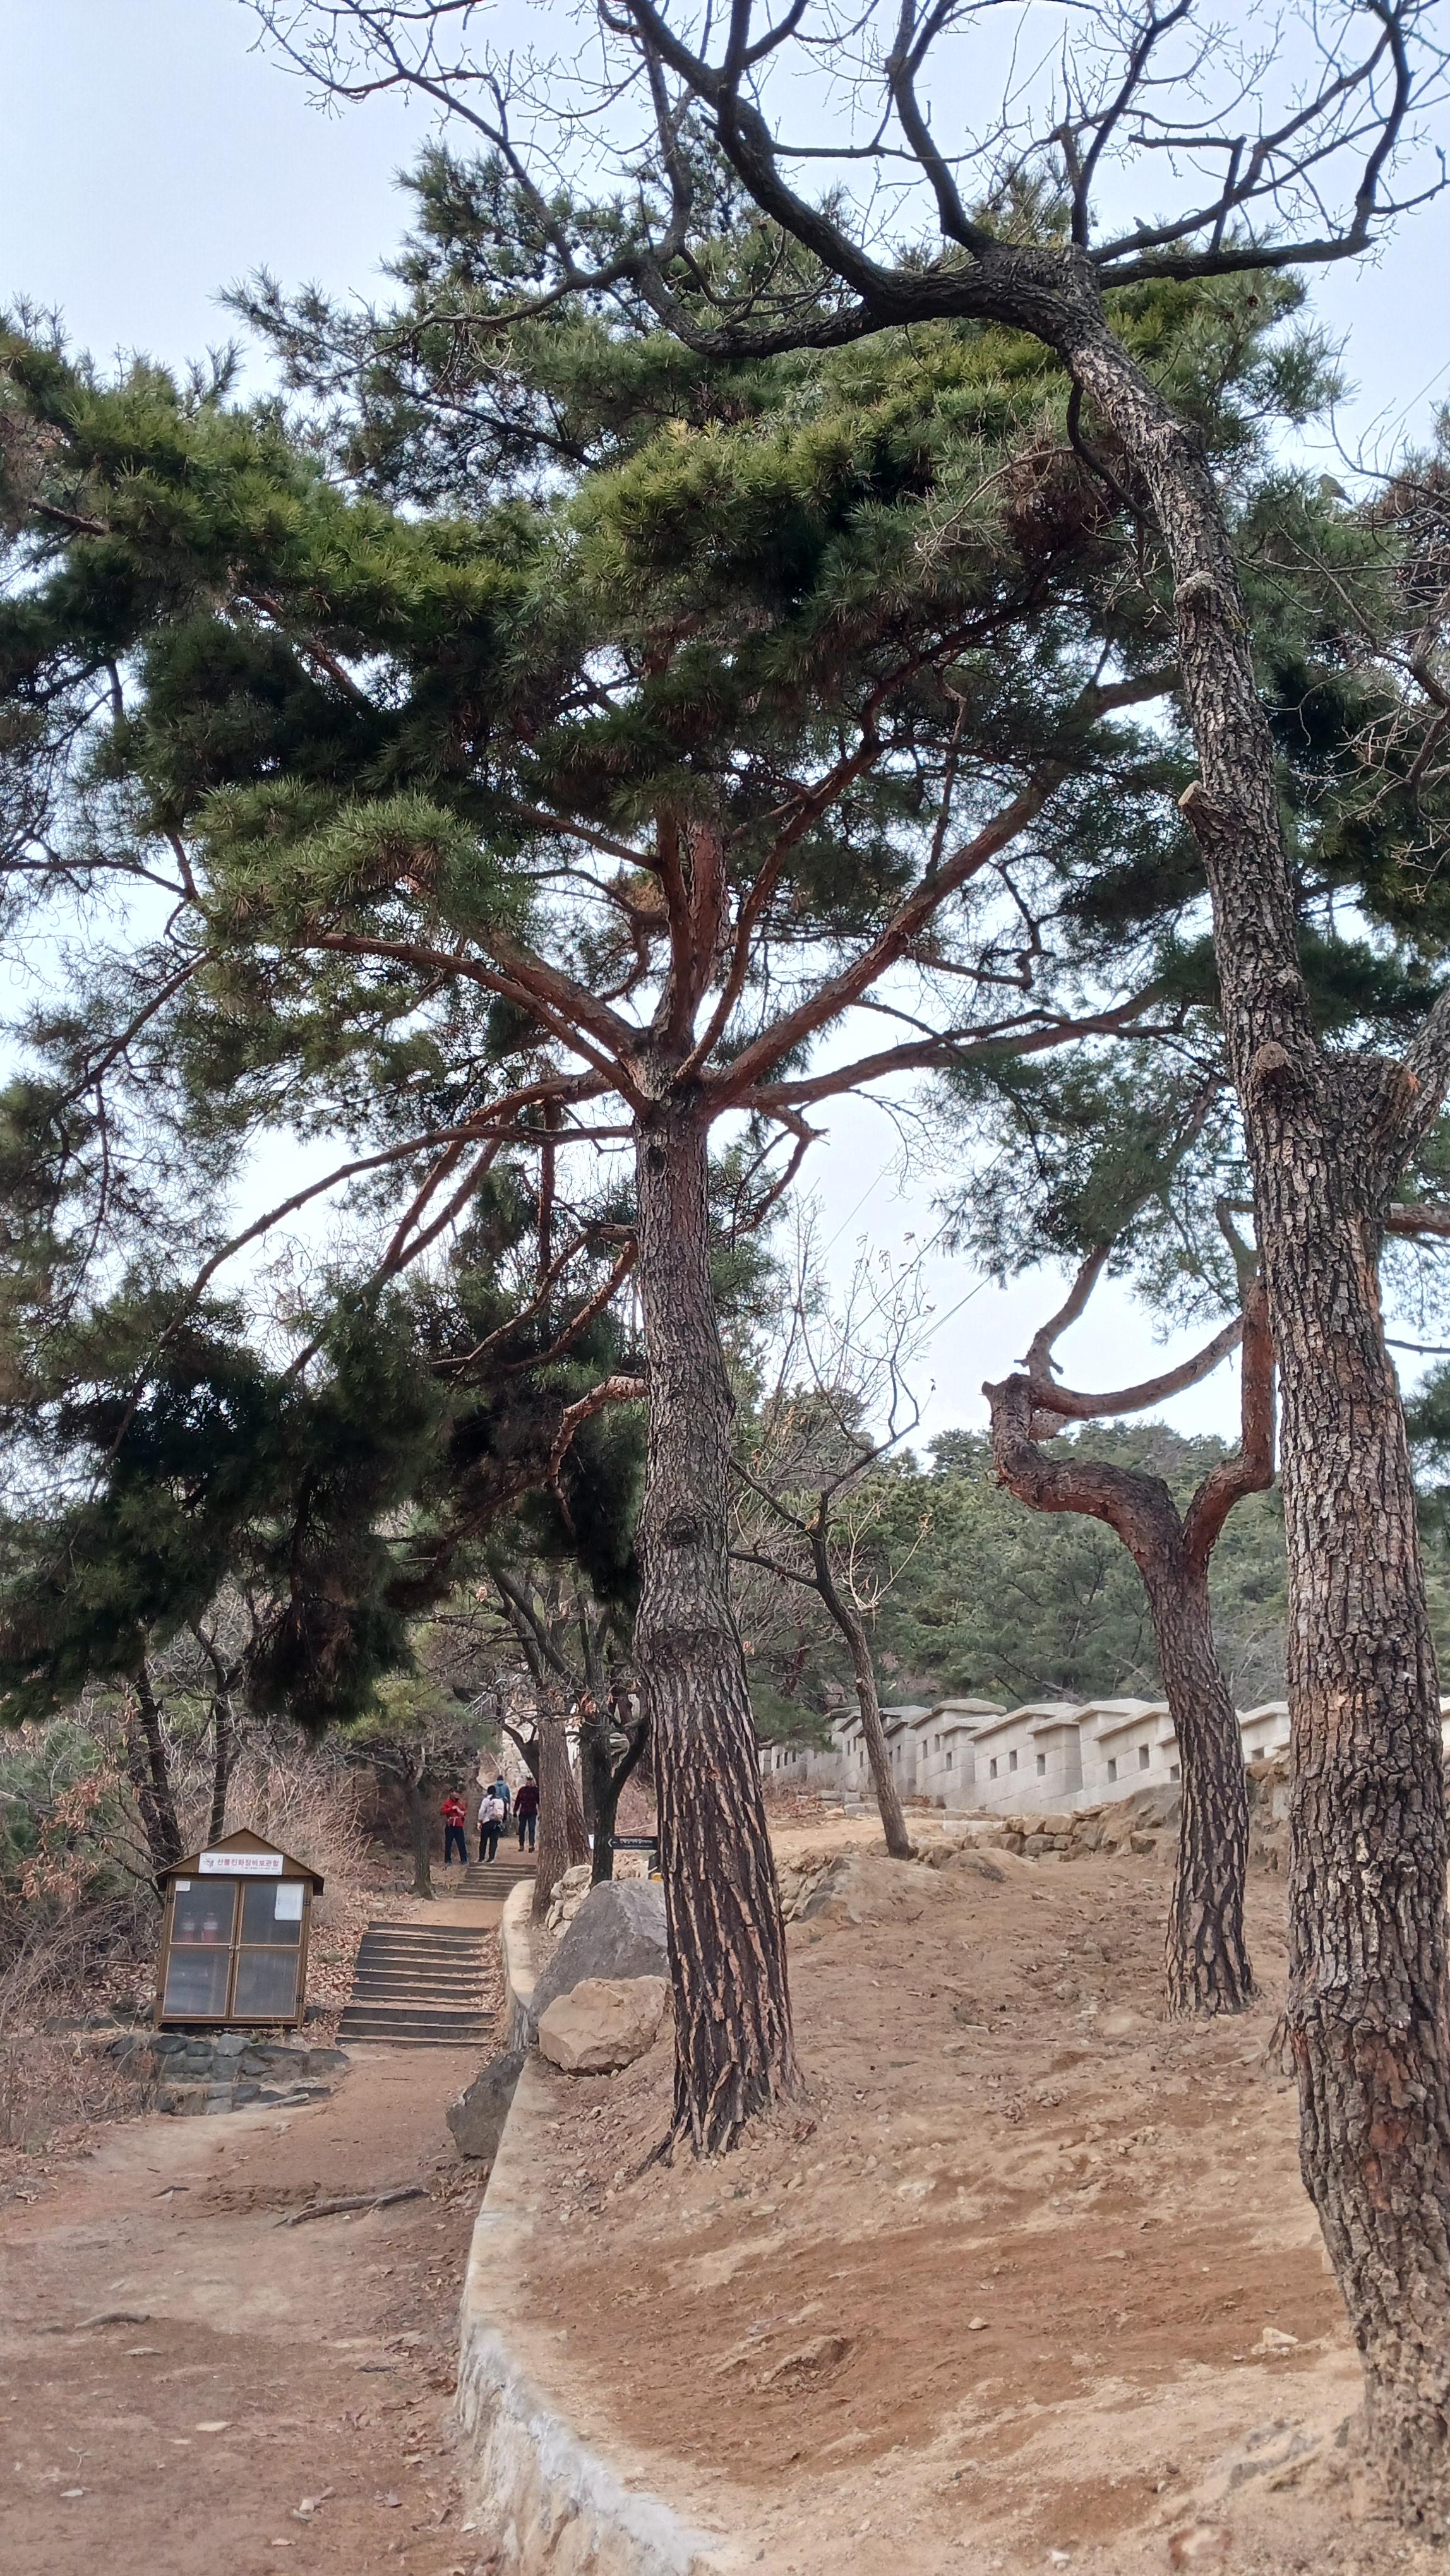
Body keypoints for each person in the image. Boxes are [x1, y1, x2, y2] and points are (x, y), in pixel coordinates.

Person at [477, 1787, 505, 1864]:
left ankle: (481, 1858)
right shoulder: (500, 1801)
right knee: (494, 1841)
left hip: (487, 1822)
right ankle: (491, 1858)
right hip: (497, 1823)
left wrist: (480, 1820)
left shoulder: (486, 1800)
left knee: (484, 1841)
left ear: (488, 1792)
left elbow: (482, 1811)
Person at [441, 1791, 469, 1869]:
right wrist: (451, 1809)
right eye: (456, 1793)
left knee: (461, 1843)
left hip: (459, 1825)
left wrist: (463, 1813)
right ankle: (448, 1860)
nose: (458, 1795)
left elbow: (465, 1811)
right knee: (448, 1843)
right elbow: (442, 1812)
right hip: (450, 1825)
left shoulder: (461, 1803)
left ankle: (464, 1860)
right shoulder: (447, 1803)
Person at [513, 1775, 539, 1852]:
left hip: (532, 1812)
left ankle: (531, 1845)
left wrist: (541, 1812)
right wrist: (515, 1810)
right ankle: (521, 1845)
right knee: (522, 1829)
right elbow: (518, 1801)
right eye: (528, 1780)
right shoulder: (522, 1790)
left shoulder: (535, 1790)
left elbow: (539, 1801)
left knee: (532, 1829)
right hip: (523, 1811)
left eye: (530, 1781)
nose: (529, 1782)